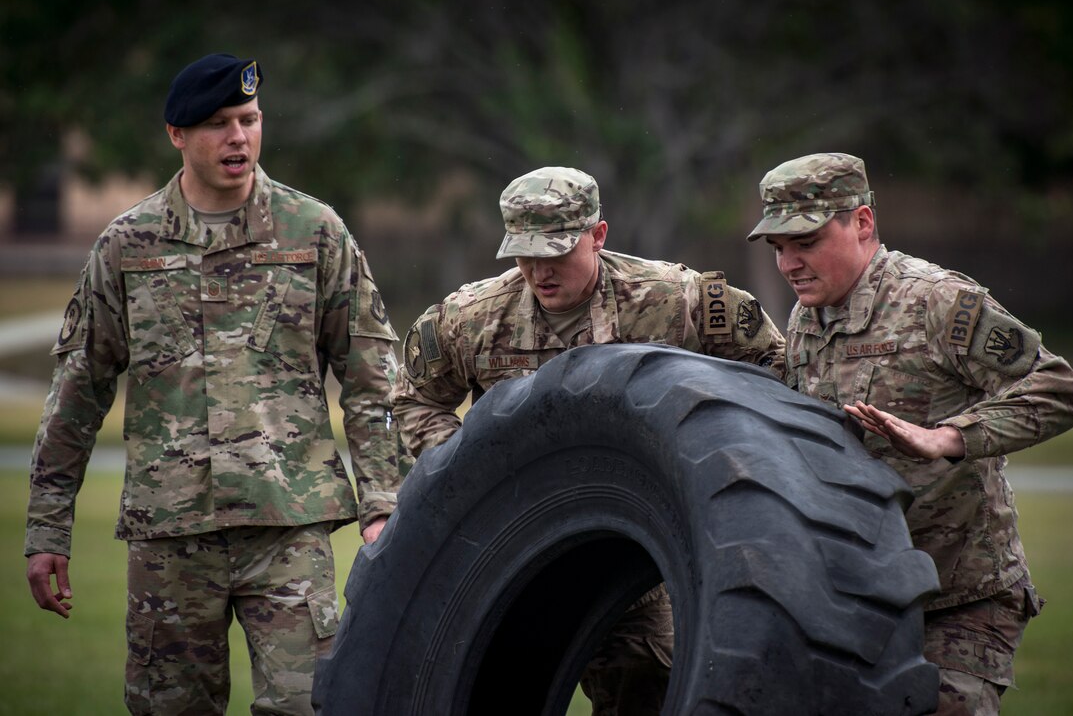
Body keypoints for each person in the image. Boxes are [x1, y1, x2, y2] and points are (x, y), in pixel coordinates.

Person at [24, 53, 402, 715]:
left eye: (250, 119)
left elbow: (372, 376)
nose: (239, 137)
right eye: (220, 123)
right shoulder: (126, 246)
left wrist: (383, 503)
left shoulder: (314, 233)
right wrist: (48, 529)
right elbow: (78, 392)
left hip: (288, 526)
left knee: (310, 705)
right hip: (172, 539)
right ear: (177, 133)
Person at [391, 165, 786, 715]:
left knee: (647, 686)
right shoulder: (472, 317)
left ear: (598, 235)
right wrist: (465, 469)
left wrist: (725, 464)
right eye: (524, 255)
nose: (539, 271)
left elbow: (773, 366)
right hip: (519, 548)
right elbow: (415, 398)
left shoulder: (674, 301)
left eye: (556, 253)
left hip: (637, 549)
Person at [747, 152, 1073, 715]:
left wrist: (950, 437)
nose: (789, 264)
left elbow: (1058, 389)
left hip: (961, 596)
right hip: (861, 592)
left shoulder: (937, 300)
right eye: (778, 248)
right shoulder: (810, 317)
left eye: (804, 241)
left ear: (861, 223)